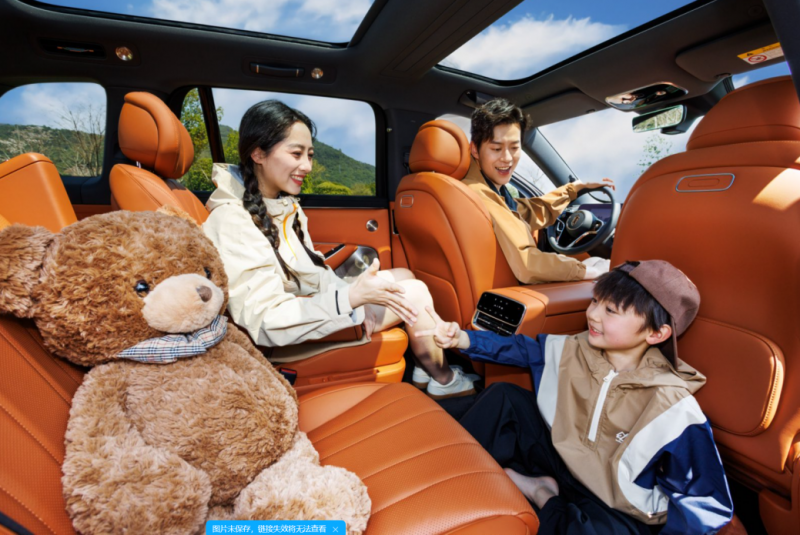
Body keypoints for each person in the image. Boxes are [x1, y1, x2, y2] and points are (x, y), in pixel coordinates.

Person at [417, 260, 733, 534]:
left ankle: (544, 496)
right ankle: (439, 476)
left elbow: (706, 501)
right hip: (558, 455)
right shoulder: (575, 348)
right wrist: (463, 339)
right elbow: (522, 349)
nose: (593, 315)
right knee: (504, 397)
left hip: (610, 500)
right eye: (595, 301)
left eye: (610, 310)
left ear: (656, 333)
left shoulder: (672, 406)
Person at [202, 100, 478, 399]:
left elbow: (312, 272)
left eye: (309, 155)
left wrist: (351, 296)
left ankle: (424, 367)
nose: (307, 166)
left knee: (403, 275)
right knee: (416, 292)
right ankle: (443, 379)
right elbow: (264, 319)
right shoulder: (232, 220)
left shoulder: (282, 207)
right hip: (283, 338)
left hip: (304, 306)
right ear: (258, 154)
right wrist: (349, 300)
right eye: (296, 153)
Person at [465, 98, 615, 283]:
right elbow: (528, 265)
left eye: (514, 147)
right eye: (496, 148)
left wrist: (574, 189)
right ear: (475, 149)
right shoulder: (479, 195)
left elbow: (531, 211)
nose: (507, 158)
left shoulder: (486, 192)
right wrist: (588, 271)